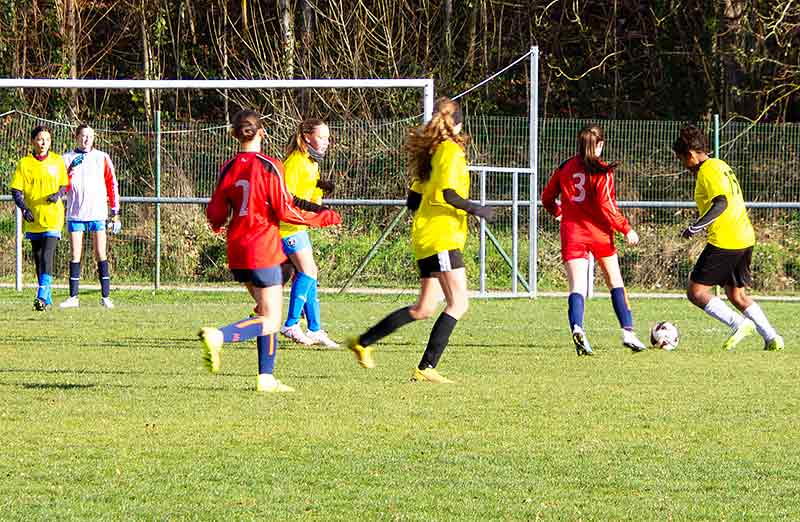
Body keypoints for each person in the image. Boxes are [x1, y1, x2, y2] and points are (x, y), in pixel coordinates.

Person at [347, 97, 494, 383]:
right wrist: (478, 209)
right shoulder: (451, 152)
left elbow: (412, 201)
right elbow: (448, 194)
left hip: (425, 236)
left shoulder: (431, 154)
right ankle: (426, 367)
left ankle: (363, 342)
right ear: (459, 125)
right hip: (442, 237)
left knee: (424, 308)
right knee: (459, 304)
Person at [198, 110, 342, 393]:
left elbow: (215, 212)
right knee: (271, 318)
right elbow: (285, 209)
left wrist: (218, 224)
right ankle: (219, 336)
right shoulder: (269, 165)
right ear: (262, 133)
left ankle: (266, 378)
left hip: (236, 249)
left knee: (265, 311)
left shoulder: (228, 167)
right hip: (261, 247)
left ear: (234, 134)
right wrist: (321, 217)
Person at [672, 125, 783, 351]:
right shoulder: (721, 164)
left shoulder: (708, 170)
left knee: (696, 292)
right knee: (737, 294)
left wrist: (695, 227)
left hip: (726, 239)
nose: (683, 165)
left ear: (691, 155)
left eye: (682, 159)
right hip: (744, 236)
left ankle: (739, 324)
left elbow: (721, 202)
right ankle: (772, 338)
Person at [541, 124, 647, 355]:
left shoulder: (565, 166)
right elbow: (606, 205)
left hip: (573, 233)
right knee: (615, 281)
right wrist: (626, 229)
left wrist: (559, 213)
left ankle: (578, 328)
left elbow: (547, 197)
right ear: (599, 144)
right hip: (599, 233)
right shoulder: (602, 170)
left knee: (576, 286)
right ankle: (628, 332)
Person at [278, 118, 339, 348]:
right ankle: (291, 324)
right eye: (322, 137)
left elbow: (310, 193)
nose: (326, 142)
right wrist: (317, 210)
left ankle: (314, 329)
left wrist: (321, 187)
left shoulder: (311, 162)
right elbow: (288, 198)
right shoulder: (296, 161)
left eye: (327, 137)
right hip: (288, 226)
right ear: (306, 137)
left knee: (310, 273)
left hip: (298, 225)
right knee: (308, 271)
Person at [60, 124, 121, 309]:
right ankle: (73, 297)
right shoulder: (66, 158)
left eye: (90, 136)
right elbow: (62, 188)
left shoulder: (102, 157)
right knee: (75, 255)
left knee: (100, 254)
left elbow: (112, 185)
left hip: (97, 214)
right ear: (76, 137)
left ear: (94, 138)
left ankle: (105, 296)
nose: (86, 140)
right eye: (83, 136)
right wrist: (69, 173)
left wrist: (115, 212)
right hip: (76, 214)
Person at [10, 126, 69, 311]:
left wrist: (57, 195)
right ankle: (47, 300)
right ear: (33, 141)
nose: (43, 143)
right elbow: (16, 190)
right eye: (40, 139)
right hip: (33, 219)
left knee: (46, 255)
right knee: (37, 258)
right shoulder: (24, 163)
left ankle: (41, 296)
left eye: (47, 140)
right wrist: (24, 209)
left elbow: (64, 184)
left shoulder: (57, 161)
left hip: (53, 217)